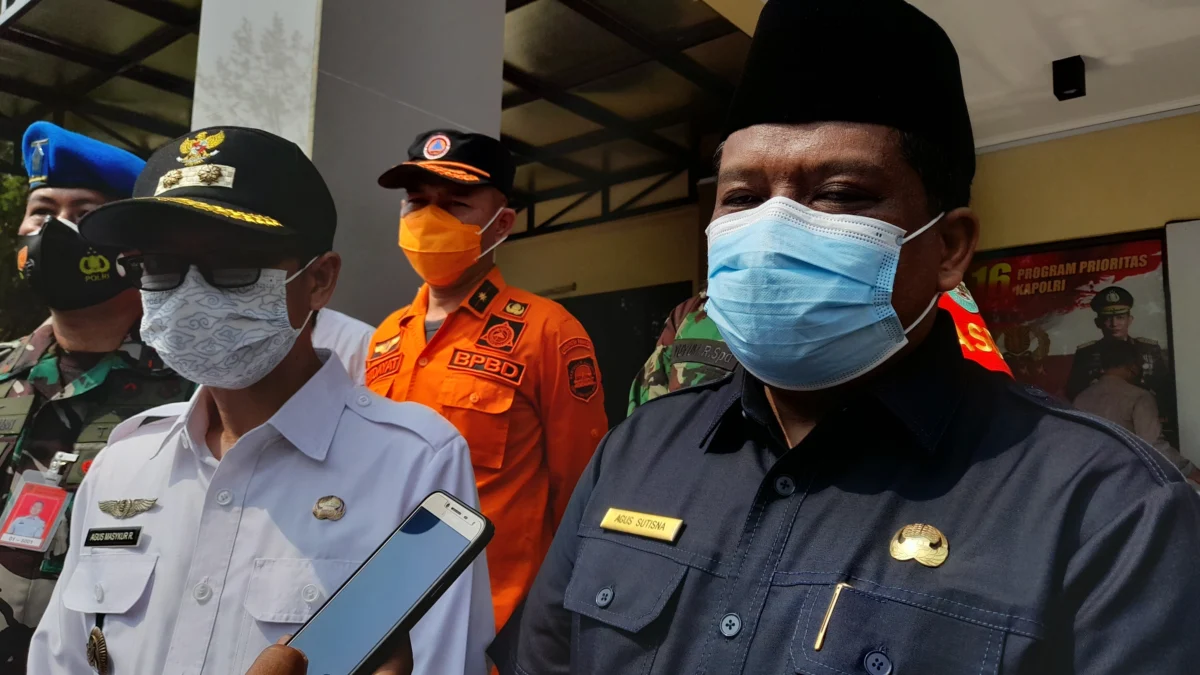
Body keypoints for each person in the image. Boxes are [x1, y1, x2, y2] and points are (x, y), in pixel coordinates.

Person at [489, 1, 1200, 673]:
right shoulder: (637, 451)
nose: (773, 231)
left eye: (839, 193)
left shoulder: (1109, 508)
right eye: (741, 197)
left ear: (950, 246)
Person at [29, 126, 492, 675]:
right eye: (159, 266)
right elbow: (62, 660)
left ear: (319, 280)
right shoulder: (123, 463)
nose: (191, 293)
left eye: (233, 263)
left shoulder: (413, 461)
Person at [366, 129, 608, 630]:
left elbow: (581, 488)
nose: (430, 220)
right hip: (385, 610)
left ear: (500, 225)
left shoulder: (547, 331)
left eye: (456, 205)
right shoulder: (387, 336)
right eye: (416, 203)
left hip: (495, 619)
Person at [0, 122, 196, 672]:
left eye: (84, 213)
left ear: (136, 244)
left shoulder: (195, 390)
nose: (55, 230)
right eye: (42, 211)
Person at [629, 283, 1010, 414]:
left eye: (837, 194)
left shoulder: (926, 300)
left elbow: (984, 430)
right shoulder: (696, 313)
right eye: (746, 197)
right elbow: (647, 430)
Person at [1073, 340, 1199, 482]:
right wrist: (1191, 471)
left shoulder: (1081, 398)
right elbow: (1153, 446)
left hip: (1094, 482)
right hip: (1130, 481)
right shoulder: (1139, 397)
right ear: (1132, 366)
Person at [1066, 286, 1172, 405]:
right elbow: (1074, 393)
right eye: (1107, 318)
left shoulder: (1148, 349)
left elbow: (1165, 389)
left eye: (1120, 317)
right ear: (1098, 323)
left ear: (1130, 320)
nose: (1114, 324)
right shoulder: (1086, 353)